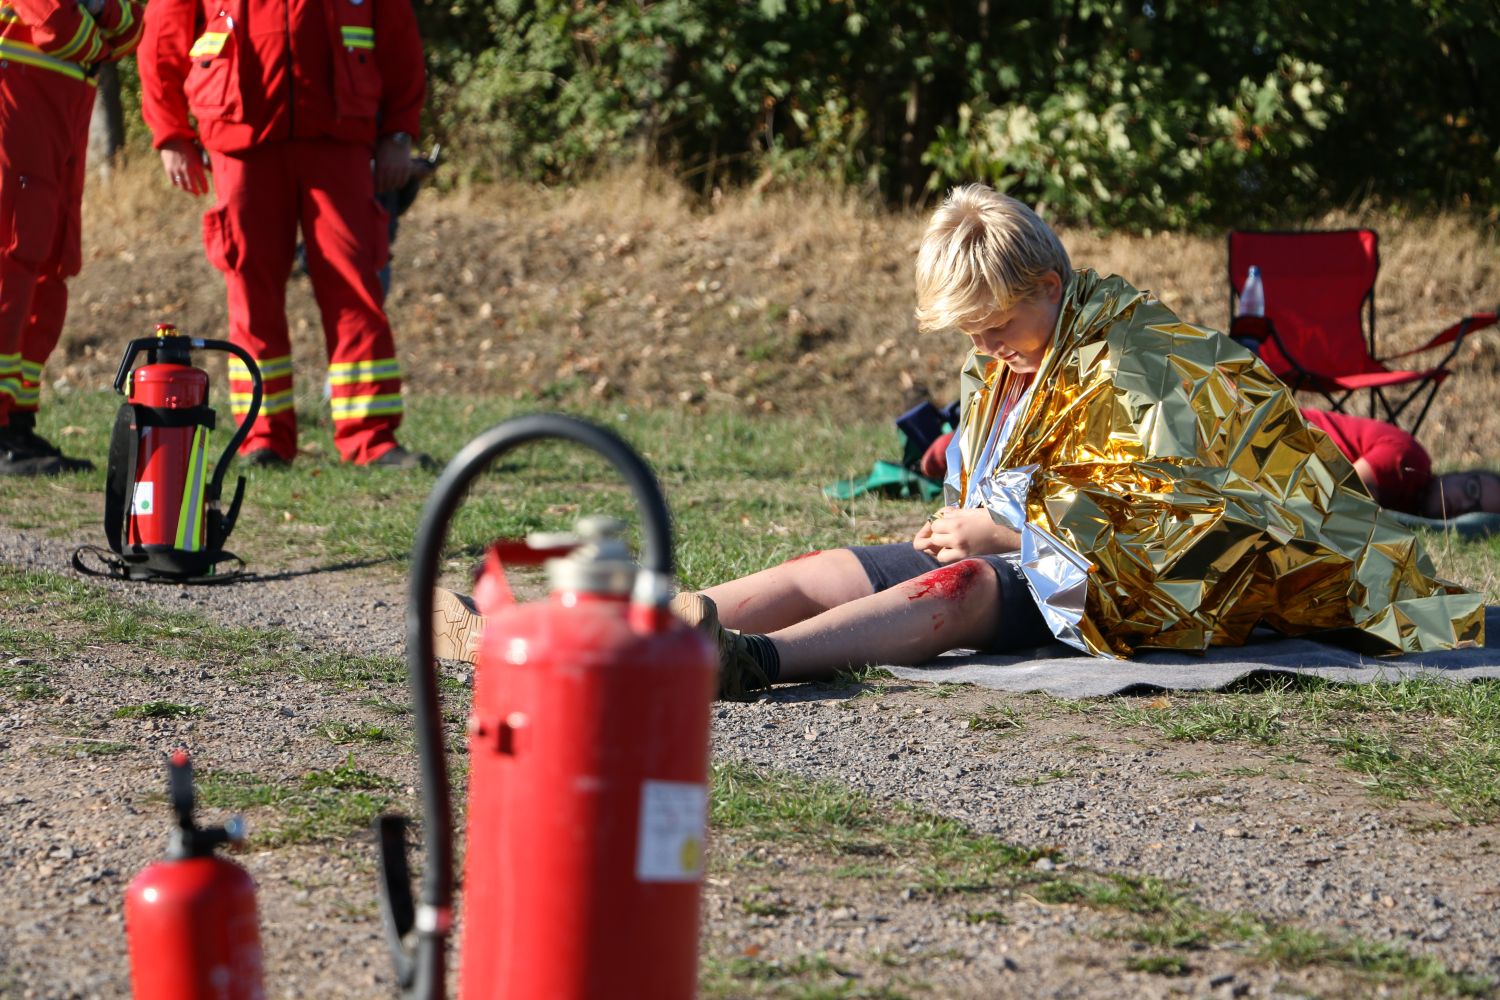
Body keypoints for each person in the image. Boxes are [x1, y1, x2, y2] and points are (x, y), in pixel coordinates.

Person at [434, 185, 1483, 697]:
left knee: (963, 597)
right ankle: (668, 620)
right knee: (833, 564)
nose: (982, 348)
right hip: (1028, 539)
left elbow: (1177, 504)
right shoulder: (1020, 340)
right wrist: (981, 513)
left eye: (992, 325)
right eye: (970, 331)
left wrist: (1003, 520)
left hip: (1137, 574)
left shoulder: (1137, 356)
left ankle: (750, 663)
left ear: (1048, 285)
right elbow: (1012, 455)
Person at [137, 0, 435, 470]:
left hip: (339, 137)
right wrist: (171, 133)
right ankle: (263, 438)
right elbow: (162, 39)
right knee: (250, 293)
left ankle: (371, 439)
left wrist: (399, 134)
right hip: (241, 136)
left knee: (356, 287)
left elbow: (399, 42)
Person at [0, 0, 144, 476]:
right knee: (10, 262)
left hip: (62, 113)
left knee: (50, 266)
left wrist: (101, 18)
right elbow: (55, 23)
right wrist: (100, 33)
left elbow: (131, 28)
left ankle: (16, 421)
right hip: (16, 104)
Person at [1298, 408, 1500, 520]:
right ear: (1456, 474)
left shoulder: (1410, 506)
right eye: (1471, 489)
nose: (1462, 505)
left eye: (1475, 511)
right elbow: (1339, 498)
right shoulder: (1410, 462)